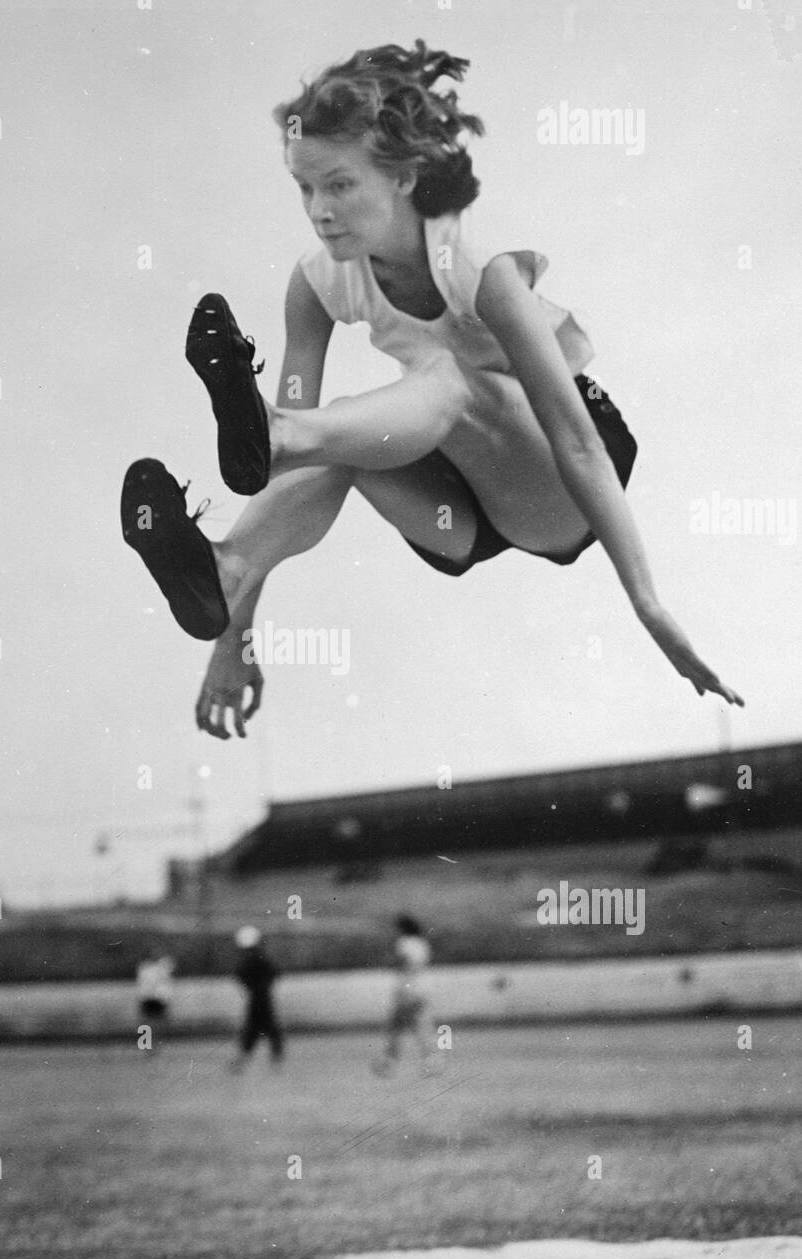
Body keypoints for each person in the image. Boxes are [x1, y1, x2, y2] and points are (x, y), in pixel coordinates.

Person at [122, 39, 743, 739]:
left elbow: (578, 441)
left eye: (340, 184)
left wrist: (649, 606)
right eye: (304, 187)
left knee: (435, 380)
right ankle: (228, 568)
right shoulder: (317, 284)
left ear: (406, 177)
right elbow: (269, 473)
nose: (319, 211)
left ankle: (286, 431)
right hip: (453, 508)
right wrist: (231, 639)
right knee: (331, 437)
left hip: (556, 486)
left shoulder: (478, 269)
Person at [373, 914, 434, 1075]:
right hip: (420, 987)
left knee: (396, 1028)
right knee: (419, 1027)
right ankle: (431, 1061)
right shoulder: (422, 943)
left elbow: (404, 961)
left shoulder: (404, 943)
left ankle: (389, 1063)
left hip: (407, 989)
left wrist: (390, 960)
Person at [232, 925, 284, 1068]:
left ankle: (244, 1059)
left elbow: (240, 975)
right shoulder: (261, 959)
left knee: (254, 1028)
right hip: (263, 997)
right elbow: (275, 973)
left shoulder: (250, 961)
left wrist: (252, 986)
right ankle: (276, 1058)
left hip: (257, 998)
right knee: (269, 1028)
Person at [135, 953, 174, 1026]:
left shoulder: (144, 967)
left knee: (150, 1021)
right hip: (154, 997)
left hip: (151, 997)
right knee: (154, 1020)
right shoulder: (148, 967)